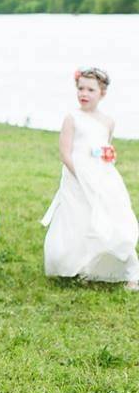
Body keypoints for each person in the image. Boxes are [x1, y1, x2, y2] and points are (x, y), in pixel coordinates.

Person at [42, 67, 139, 291]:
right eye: (80, 88)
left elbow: (105, 148)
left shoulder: (107, 122)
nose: (84, 94)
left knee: (111, 218)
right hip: (76, 177)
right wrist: (81, 177)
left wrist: (102, 169)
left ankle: (124, 268)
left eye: (90, 90)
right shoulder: (72, 118)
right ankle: (81, 265)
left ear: (102, 93)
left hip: (101, 177)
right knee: (78, 219)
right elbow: (65, 153)